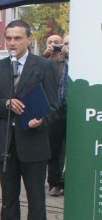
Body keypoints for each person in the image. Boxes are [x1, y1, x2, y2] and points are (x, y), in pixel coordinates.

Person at [0, 19, 59, 220]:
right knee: (8, 198)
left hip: (33, 142)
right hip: (6, 142)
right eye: (9, 38)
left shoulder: (44, 66)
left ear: (28, 40)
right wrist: (5, 104)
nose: (12, 43)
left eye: (17, 38)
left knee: (36, 199)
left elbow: (55, 107)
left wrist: (41, 120)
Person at [42, 34, 67, 197]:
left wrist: (68, 54)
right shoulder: (46, 62)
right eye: (50, 42)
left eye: (57, 43)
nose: (54, 45)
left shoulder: (70, 61)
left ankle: (67, 179)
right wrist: (45, 55)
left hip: (71, 109)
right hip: (53, 110)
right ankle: (55, 182)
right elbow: (33, 70)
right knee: (54, 148)